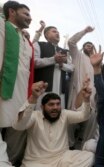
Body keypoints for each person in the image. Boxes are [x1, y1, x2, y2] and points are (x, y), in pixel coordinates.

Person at [12, 79, 94, 167]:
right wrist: (34, 97)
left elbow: (84, 116)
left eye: (58, 104)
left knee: (89, 156)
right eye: (51, 104)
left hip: (61, 159)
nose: (55, 107)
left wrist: (86, 100)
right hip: (37, 162)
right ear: (42, 107)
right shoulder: (35, 116)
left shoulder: (64, 114)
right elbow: (19, 125)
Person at [0, 1, 33, 165]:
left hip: (22, 90)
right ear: (12, 12)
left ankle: (11, 162)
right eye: (26, 14)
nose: (30, 18)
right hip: (4, 85)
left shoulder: (26, 40)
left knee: (18, 127)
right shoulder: (3, 27)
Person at [67, 26, 98, 149]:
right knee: (72, 120)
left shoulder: (96, 61)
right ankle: (69, 145)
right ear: (83, 47)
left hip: (92, 94)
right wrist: (85, 31)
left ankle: (84, 146)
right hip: (77, 92)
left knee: (90, 121)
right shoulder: (77, 55)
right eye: (87, 45)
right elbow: (71, 42)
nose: (89, 46)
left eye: (91, 45)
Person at [33, 25, 74, 109]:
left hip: (60, 92)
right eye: (54, 31)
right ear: (46, 35)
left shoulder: (65, 51)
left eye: (58, 31)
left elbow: (72, 68)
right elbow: (34, 62)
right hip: (42, 90)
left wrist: (62, 65)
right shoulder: (39, 45)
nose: (57, 33)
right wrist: (53, 60)